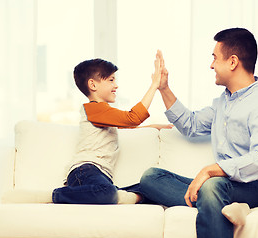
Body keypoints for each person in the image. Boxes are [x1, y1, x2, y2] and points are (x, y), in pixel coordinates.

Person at [140, 28, 258, 238]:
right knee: (151, 178)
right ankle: (230, 204)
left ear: (232, 62)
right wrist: (164, 88)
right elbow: (190, 124)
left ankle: (221, 199)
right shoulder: (223, 103)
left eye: (215, 58)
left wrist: (210, 171)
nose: (211, 65)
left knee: (211, 187)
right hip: (227, 186)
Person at [52, 50, 171, 205]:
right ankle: (57, 195)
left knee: (150, 188)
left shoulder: (102, 113)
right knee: (106, 193)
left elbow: (128, 127)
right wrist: (154, 85)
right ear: (93, 84)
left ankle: (112, 193)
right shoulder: (94, 109)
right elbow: (132, 118)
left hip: (98, 175)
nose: (116, 85)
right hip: (85, 171)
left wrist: (155, 127)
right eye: (111, 80)